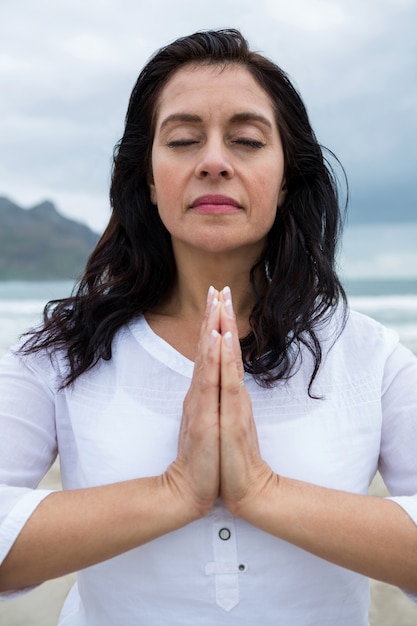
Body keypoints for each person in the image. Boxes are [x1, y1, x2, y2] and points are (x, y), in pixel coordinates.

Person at [0, 28, 416, 626]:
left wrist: (261, 492)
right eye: (184, 140)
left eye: (246, 140)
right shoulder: (64, 351)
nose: (214, 162)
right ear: (147, 175)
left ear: (287, 177)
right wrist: (175, 492)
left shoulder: (370, 355)